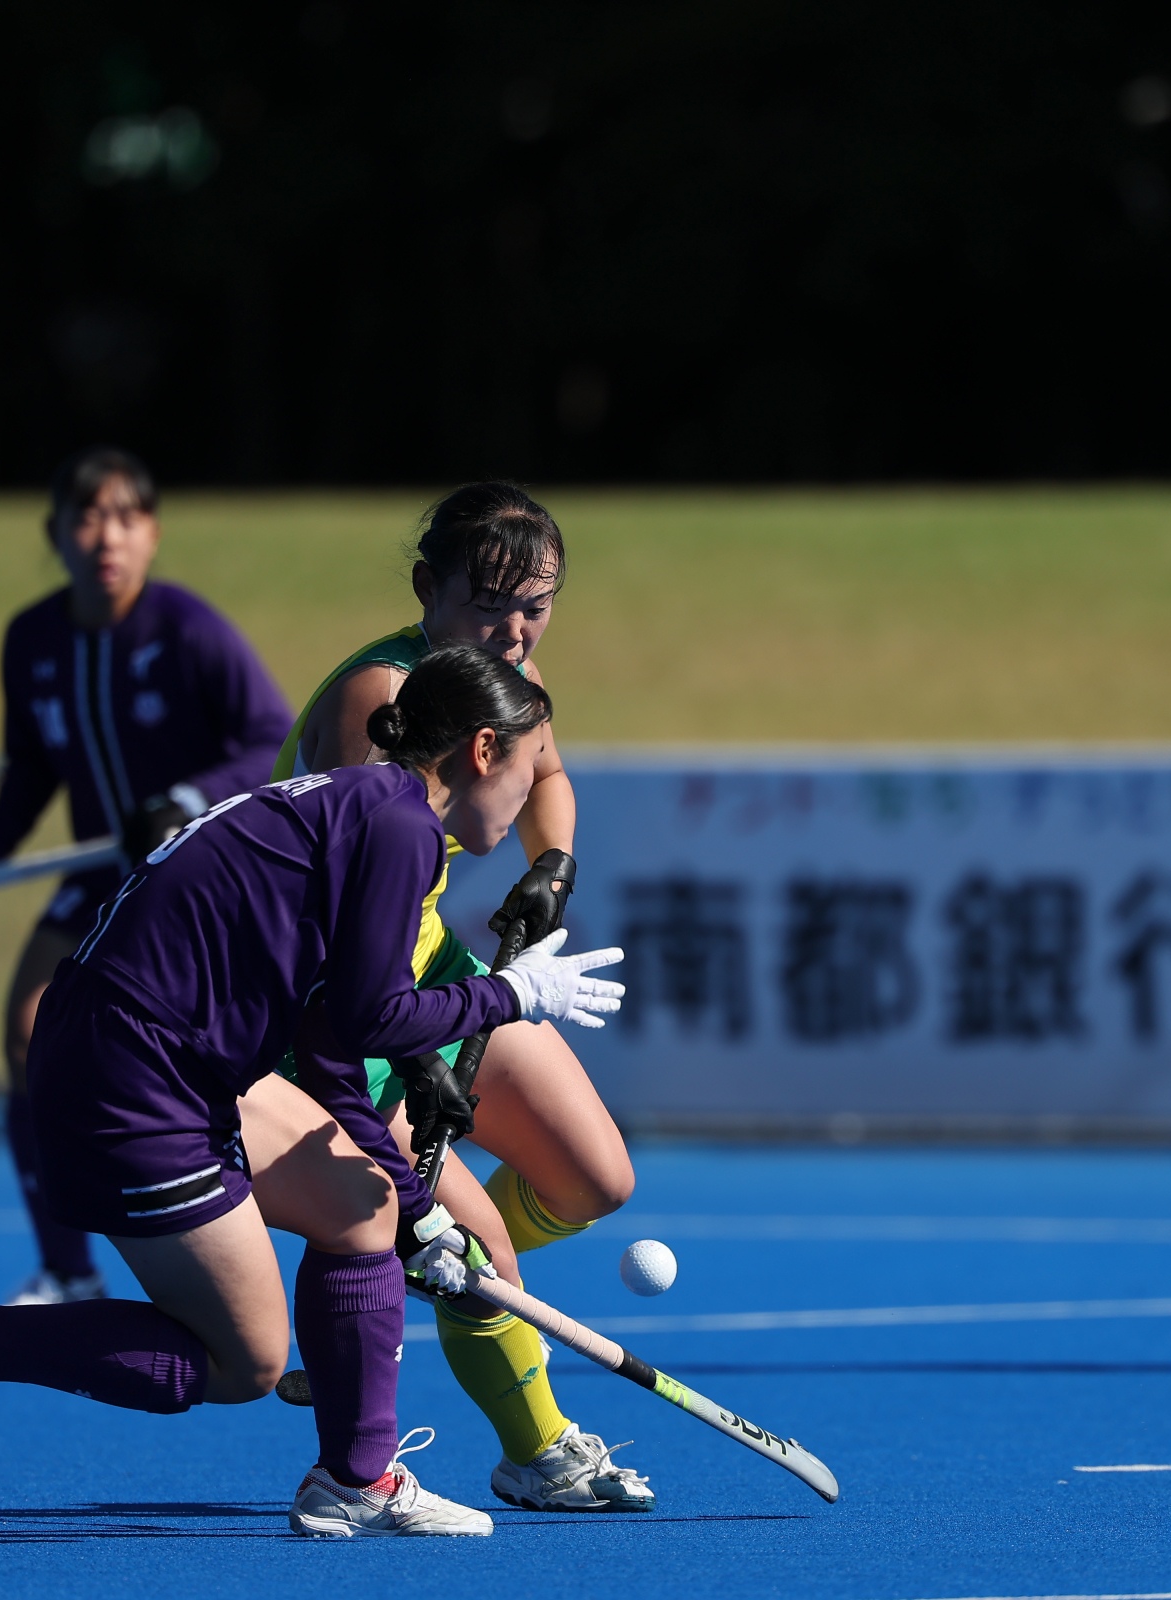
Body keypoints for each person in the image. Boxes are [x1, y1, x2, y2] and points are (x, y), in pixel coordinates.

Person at [0, 646, 629, 1537]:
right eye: (530, 768)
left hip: (162, 1052)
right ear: (482, 751)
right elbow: (372, 1018)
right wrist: (509, 996)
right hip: (128, 1074)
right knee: (244, 1363)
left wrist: (416, 1207)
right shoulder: (400, 827)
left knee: (362, 1204)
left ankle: (355, 1482)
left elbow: (328, 1045)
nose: (527, 805)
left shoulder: (372, 807)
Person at [269, 482, 649, 1513]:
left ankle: (411, 1272)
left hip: (429, 966)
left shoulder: (506, 674)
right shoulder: (380, 694)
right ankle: (540, 1452)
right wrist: (413, 1049)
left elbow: (547, 773)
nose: (516, 632)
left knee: (593, 1178)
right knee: (476, 1247)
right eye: (491, 608)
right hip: (335, 1002)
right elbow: (346, 921)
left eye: (538, 607)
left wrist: (551, 864)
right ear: (424, 590)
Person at [0, 448, 292, 1306]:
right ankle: (68, 1271)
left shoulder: (188, 629)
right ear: (54, 533)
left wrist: (185, 798)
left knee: (230, 1066)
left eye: (127, 518)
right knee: (28, 1033)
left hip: (194, 879)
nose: (107, 537)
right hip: (100, 878)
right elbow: (31, 771)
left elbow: (273, 739)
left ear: (153, 533)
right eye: (87, 517)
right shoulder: (32, 640)